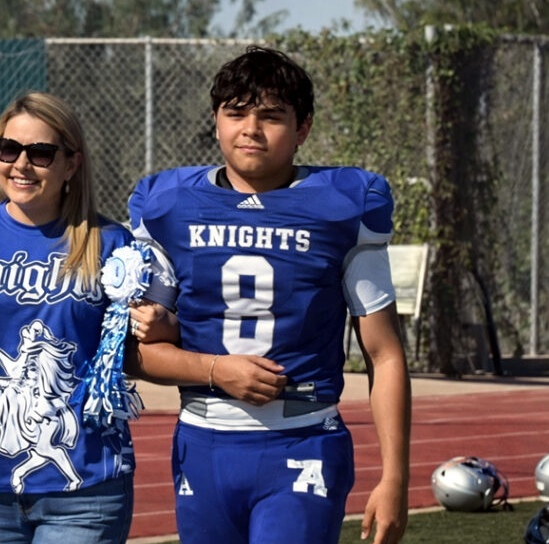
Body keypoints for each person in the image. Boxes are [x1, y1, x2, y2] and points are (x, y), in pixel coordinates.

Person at [125, 46, 412, 544]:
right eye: (235, 113)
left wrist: (395, 477)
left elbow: (384, 354)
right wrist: (211, 365)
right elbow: (137, 352)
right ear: (216, 122)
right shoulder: (168, 205)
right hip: (203, 439)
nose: (250, 129)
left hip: (302, 438)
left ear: (302, 129)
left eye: (271, 116)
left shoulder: (343, 205)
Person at [0, 91, 174, 543]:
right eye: (8, 148)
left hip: (86, 486)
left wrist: (165, 327)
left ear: (71, 164)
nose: (21, 164)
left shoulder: (111, 245)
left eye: (40, 153)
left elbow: (150, 340)